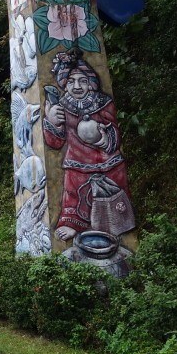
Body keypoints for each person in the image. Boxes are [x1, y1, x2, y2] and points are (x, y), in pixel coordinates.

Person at [42, 52, 134, 242]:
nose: (77, 86)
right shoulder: (62, 106)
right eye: (71, 81)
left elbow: (114, 128)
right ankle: (73, 223)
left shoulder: (103, 102)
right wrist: (52, 121)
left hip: (108, 161)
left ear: (90, 83)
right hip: (77, 161)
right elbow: (55, 143)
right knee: (73, 190)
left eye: (82, 81)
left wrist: (103, 137)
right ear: (65, 84)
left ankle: (115, 222)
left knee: (113, 196)